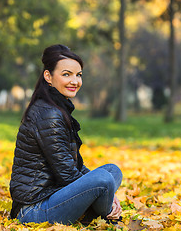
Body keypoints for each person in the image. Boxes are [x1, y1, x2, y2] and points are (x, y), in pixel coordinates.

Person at [9, 44, 123, 225]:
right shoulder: (48, 113)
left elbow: (73, 166)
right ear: (48, 76)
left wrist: (108, 191)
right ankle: (107, 214)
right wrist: (107, 196)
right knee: (103, 179)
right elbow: (68, 174)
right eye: (66, 74)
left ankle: (99, 207)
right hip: (34, 210)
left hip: (53, 194)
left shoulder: (55, 106)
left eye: (78, 75)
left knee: (111, 171)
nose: (75, 81)